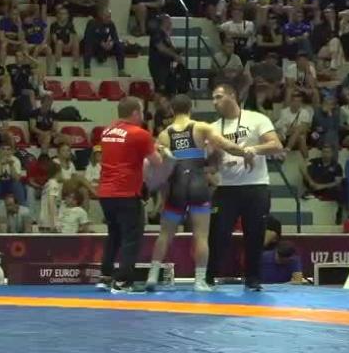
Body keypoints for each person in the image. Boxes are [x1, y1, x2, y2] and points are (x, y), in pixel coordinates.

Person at [145, 94, 254, 291]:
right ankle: (200, 281)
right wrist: (245, 152)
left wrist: (163, 194)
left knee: (165, 234)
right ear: (190, 109)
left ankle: (152, 275)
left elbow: (159, 168)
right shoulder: (201, 127)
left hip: (176, 187)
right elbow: (226, 145)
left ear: (171, 110)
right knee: (201, 236)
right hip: (198, 185)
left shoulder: (164, 134)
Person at [205, 83, 285, 291]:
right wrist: (210, 157)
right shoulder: (213, 128)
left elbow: (276, 145)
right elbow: (212, 165)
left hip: (255, 186)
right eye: (213, 98)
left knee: (255, 235)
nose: (214, 102)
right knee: (217, 234)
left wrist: (252, 149)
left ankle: (253, 279)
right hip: (226, 188)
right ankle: (209, 277)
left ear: (232, 95)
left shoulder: (256, 119)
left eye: (218, 97)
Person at [95, 97, 164, 292]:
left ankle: (105, 277)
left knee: (114, 235)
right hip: (126, 193)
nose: (143, 116)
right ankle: (123, 281)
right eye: (141, 112)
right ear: (135, 113)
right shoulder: (140, 134)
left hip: (106, 193)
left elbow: (124, 153)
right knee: (131, 238)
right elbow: (157, 162)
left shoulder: (107, 131)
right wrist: (160, 151)